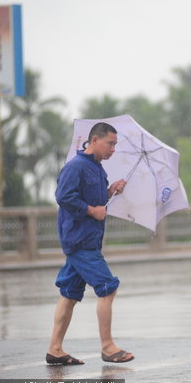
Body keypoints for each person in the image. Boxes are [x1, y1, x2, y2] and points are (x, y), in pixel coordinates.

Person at [46, 122, 134, 365]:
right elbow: (64, 197)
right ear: (94, 140)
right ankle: (107, 347)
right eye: (110, 143)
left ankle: (55, 349)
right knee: (108, 286)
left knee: (70, 293)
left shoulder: (97, 168)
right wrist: (90, 211)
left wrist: (110, 191)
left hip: (89, 239)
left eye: (115, 144)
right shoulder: (75, 167)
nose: (113, 149)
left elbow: (94, 198)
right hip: (79, 239)